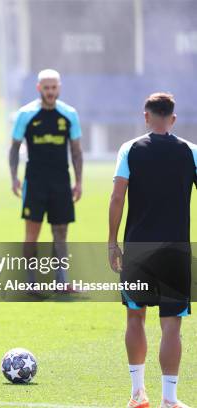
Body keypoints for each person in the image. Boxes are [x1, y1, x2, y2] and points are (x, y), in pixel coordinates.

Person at [109, 93, 194, 408]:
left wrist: (111, 241)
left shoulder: (129, 149)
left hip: (137, 250)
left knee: (135, 318)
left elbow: (117, 197)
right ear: (173, 119)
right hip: (176, 251)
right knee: (172, 323)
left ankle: (136, 394)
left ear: (146, 116)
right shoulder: (191, 152)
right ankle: (169, 399)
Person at [8, 69, 82, 289]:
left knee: (61, 232)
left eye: (54, 87)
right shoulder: (26, 114)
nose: (50, 92)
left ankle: (62, 282)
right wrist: (14, 177)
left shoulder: (69, 114)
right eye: (46, 88)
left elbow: (76, 151)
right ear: (39, 88)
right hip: (35, 181)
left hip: (61, 180)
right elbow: (14, 148)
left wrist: (79, 182)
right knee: (32, 232)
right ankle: (29, 282)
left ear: (59, 88)